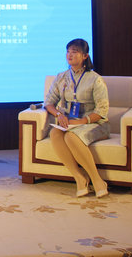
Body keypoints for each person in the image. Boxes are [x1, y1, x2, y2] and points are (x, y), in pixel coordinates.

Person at [44, 38, 110, 198]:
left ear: (85, 56)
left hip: (94, 123)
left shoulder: (95, 79)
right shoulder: (61, 77)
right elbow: (49, 103)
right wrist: (59, 114)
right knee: (55, 133)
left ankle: (97, 180)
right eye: (68, 51)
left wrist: (81, 121)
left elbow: (102, 111)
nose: (70, 55)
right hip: (71, 123)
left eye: (74, 52)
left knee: (71, 137)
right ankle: (79, 178)